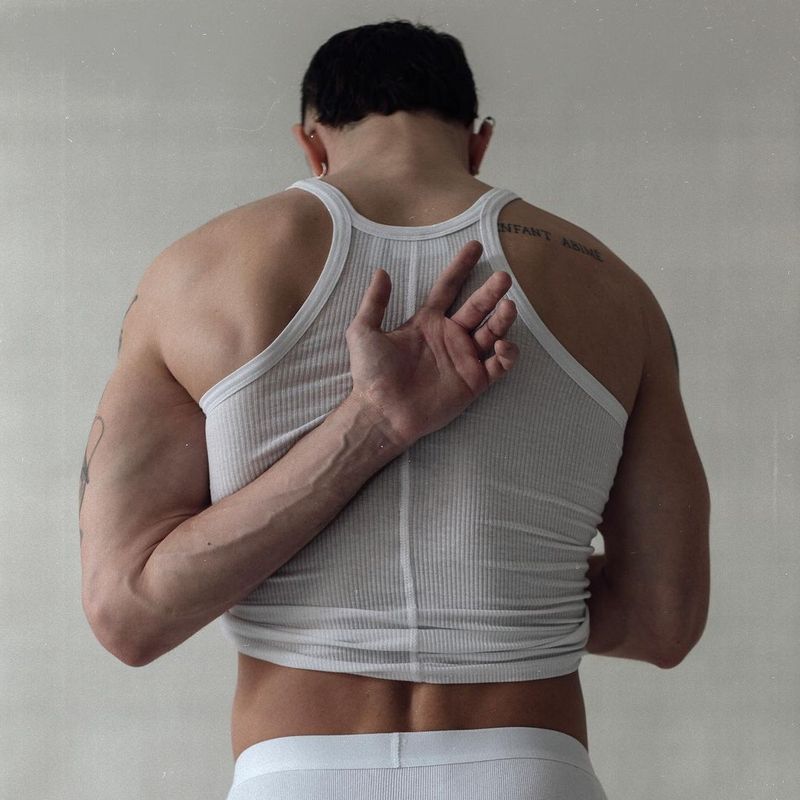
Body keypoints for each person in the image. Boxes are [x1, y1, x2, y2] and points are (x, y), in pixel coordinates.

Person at [78, 19, 710, 800]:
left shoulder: (194, 275)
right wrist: (508, 573)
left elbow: (130, 613)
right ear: (478, 143)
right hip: (527, 766)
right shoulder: (612, 289)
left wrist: (366, 440)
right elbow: (662, 619)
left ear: (310, 144)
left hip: (299, 774)